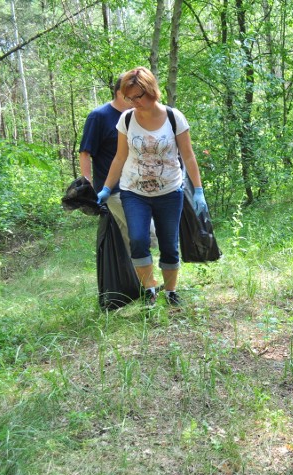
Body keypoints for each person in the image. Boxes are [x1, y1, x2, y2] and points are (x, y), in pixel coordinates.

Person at [98, 66, 206, 307]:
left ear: (151, 91)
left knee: (169, 244)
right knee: (137, 239)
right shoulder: (126, 119)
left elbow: (188, 157)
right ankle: (149, 290)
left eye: (139, 96)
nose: (134, 102)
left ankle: (170, 292)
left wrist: (198, 190)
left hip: (169, 192)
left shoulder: (173, 117)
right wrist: (106, 188)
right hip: (133, 191)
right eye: (129, 97)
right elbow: (119, 157)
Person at [79, 74, 156, 253]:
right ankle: (148, 278)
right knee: (149, 231)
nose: (136, 99)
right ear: (121, 93)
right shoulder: (98, 116)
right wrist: (87, 183)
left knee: (128, 239)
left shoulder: (136, 116)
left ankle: (135, 280)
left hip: (139, 186)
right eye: (132, 94)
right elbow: (85, 152)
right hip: (114, 189)